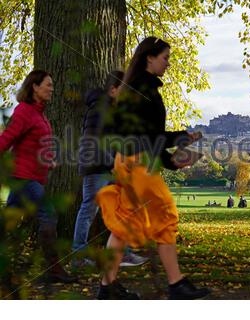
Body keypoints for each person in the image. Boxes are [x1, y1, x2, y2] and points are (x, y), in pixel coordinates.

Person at [95, 36, 210, 299]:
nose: (168, 63)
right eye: (165, 57)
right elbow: (149, 138)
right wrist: (178, 145)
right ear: (150, 57)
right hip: (138, 164)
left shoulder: (133, 88)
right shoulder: (143, 90)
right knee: (167, 216)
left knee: (123, 225)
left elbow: (148, 136)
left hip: (129, 161)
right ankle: (176, 284)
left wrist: (177, 151)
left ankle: (107, 287)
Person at [0, 70, 76, 283]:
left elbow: (35, 145)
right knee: (48, 214)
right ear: (35, 86)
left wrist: (49, 160)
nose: (52, 89)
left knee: (7, 223)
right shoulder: (24, 111)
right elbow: (6, 139)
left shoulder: (39, 114)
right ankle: (53, 269)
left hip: (30, 176)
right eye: (48, 85)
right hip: (24, 177)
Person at [72, 71, 149, 268]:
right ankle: (78, 256)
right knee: (89, 209)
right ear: (113, 89)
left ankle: (122, 253)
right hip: (97, 167)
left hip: (108, 167)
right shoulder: (99, 109)